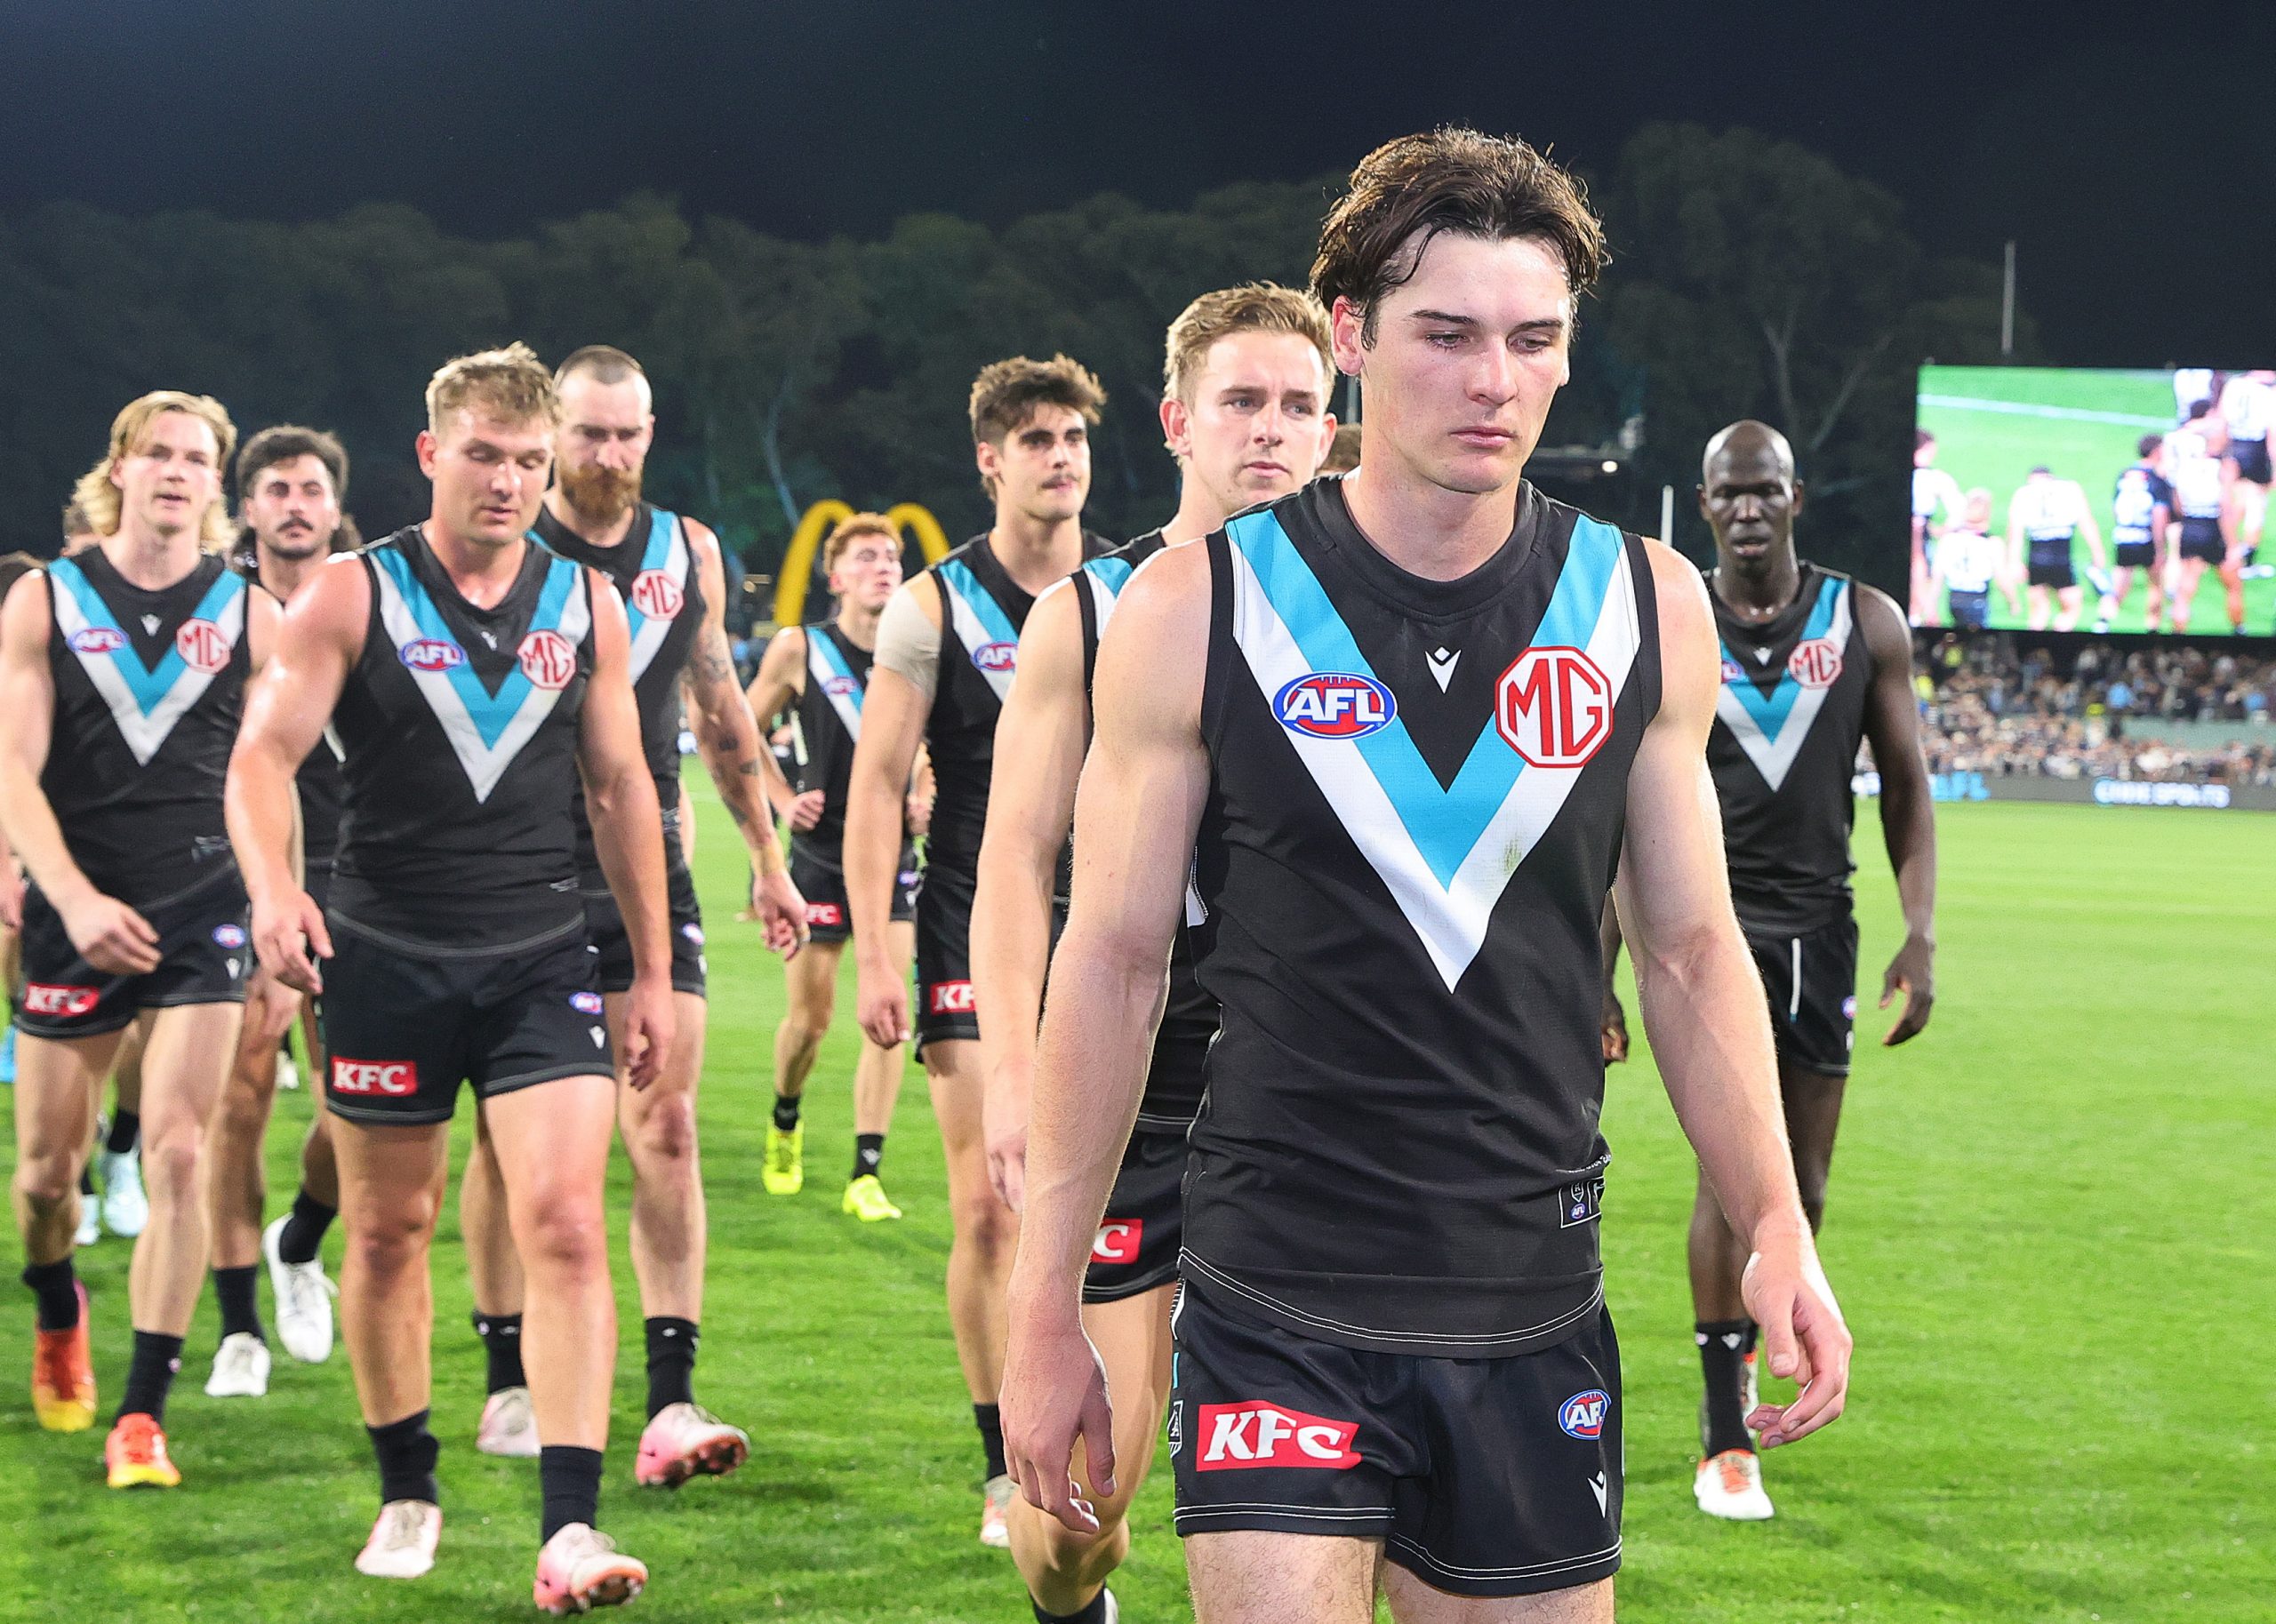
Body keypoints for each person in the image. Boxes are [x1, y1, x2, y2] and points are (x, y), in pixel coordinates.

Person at [1001, 129, 1853, 1624]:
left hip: (1532, 1298)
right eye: (1447, 337)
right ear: (1353, 338)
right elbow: (1115, 962)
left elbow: (1691, 952)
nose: (1493, 381)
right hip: (1276, 1296)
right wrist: (1043, 1303)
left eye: (1533, 341)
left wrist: (1776, 1221)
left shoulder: (1640, 606)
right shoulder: (1200, 605)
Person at [226, 343, 667, 1606]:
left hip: (540, 953)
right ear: (432, 453)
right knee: (388, 1226)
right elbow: (261, 761)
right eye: (485, 454)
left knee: (571, 1224)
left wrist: (640, 963)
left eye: (532, 461)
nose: (511, 481)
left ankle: (570, 1528)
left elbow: (623, 784)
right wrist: (275, 890)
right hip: (386, 955)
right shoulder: (349, 599)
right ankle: (407, 1483)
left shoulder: (587, 605)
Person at [974, 283, 1338, 1624]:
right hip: (1135, 1080)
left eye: (1303, 406)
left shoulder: (1378, 611)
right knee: (1083, 1505)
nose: (1274, 432)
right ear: (1180, 421)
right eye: (1243, 402)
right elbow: (1014, 863)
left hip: (1310, 1093)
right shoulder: (1089, 611)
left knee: (1330, 1484)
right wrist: (1015, 1074)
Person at [453, 344, 803, 1485]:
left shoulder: (686, 552)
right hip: (513, 875)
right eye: (589, 435)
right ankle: (507, 1373)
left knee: (668, 1124)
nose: (609, 457)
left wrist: (766, 858)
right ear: (555, 434)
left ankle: (671, 1400)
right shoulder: (509, 544)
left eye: (629, 435)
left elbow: (719, 714)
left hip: (645, 870)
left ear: (652, 434)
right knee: (514, 1150)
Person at [1601, 420, 1935, 1522]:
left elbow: (1907, 788)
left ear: (1796, 498)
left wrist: (1919, 930)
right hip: (1706, 937)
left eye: (1766, 492)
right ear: (1703, 505)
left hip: (1823, 934)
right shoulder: (1669, 616)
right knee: (1727, 1179)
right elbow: (1609, 804)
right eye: (1728, 495)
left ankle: (1749, 1361)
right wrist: (1599, 964)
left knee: (1804, 1189)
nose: (1748, 509)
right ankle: (1718, 1435)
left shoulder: (1863, 620)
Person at [843, 353, 1114, 1548]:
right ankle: (1002, 1460)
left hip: (1118, 933)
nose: (1060, 455)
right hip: (969, 925)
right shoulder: (931, 606)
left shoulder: (1134, 587)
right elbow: (874, 788)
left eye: (1073, 436)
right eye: (1036, 437)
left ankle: (1121, 1414)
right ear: (989, 460)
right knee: (992, 1207)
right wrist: (878, 952)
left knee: (1127, 1210)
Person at [1, 391, 276, 1488]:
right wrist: (64, 896)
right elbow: (11, 773)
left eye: (195, 457)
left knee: (176, 1151)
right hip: (77, 910)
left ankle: (141, 1415)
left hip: (202, 910)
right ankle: (57, 1301)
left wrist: (277, 899)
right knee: (41, 1180)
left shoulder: (252, 611)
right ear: (118, 466)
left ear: (217, 484)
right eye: (155, 452)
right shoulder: (43, 601)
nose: (174, 470)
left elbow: (276, 778)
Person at [201, 426, 356, 1400]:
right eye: (275, 489)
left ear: (335, 509)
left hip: (359, 877)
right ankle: (238, 1330)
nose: (294, 504)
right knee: (239, 1097)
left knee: (355, 1104)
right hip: (240, 872)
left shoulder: (371, 605)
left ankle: (298, 1238)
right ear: (247, 509)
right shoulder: (214, 617)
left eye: (311, 489)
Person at [743, 512, 924, 1220]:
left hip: (892, 862)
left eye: (891, 557)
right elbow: (739, 728)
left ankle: (865, 1173)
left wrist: (927, 791)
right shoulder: (801, 648)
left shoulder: (917, 649)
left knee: (889, 1018)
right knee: (810, 1022)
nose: (883, 566)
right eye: (867, 556)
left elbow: (939, 737)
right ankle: (785, 1117)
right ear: (836, 575)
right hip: (819, 859)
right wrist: (784, 797)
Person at [2164, 402, 2238, 634]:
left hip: (2191, 525)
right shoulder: (2222, 467)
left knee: (2186, 587)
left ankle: (2178, 633)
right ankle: (2240, 631)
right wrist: (2233, 544)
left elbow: (2177, 502)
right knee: (2233, 584)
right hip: (2213, 526)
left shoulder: (2184, 469)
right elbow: (2226, 506)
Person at [2004, 466, 2104, 632]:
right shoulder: (2069, 489)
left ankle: (2032, 648)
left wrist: (2014, 562)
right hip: (2061, 556)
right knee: (2071, 609)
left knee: (2038, 612)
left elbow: (2015, 531)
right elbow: (2086, 521)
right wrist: (2097, 551)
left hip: (2036, 557)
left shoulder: (2023, 493)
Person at [2109, 436, 2174, 633]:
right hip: (2146, 538)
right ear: (2156, 451)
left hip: (2124, 535)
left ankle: (2103, 621)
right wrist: (2160, 548)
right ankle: (2152, 628)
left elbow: (2115, 507)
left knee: (2119, 584)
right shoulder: (2157, 480)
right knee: (2155, 584)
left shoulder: (2124, 475)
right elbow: (2159, 515)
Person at [1929, 490, 2002, 631]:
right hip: (1978, 599)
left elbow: (1937, 576)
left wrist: (1931, 608)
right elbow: (2001, 576)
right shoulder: (1990, 542)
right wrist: (2013, 601)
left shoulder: (1949, 539)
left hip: (1954, 599)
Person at [1910, 431, 1962, 624]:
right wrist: (1942, 530)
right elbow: (1958, 511)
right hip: (1920, 535)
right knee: (1919, 575)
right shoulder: (1935, 478)